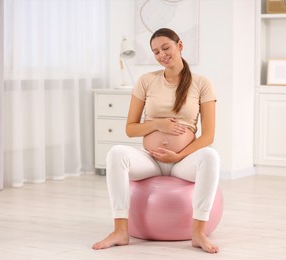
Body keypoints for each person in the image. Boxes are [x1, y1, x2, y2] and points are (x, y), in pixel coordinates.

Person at [92, 28, 220, 254]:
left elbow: (208, 136)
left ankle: (198, 233)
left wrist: (179, 155)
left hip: (183, 162)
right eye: (156, 51)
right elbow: (130, 129)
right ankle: (120, 230)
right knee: (116, 153)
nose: (162, 54)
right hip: (150, 161)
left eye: (166, 47)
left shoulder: (202, 83)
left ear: (179, 45)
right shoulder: (146, 81)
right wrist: (157, 125)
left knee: (211, 156)